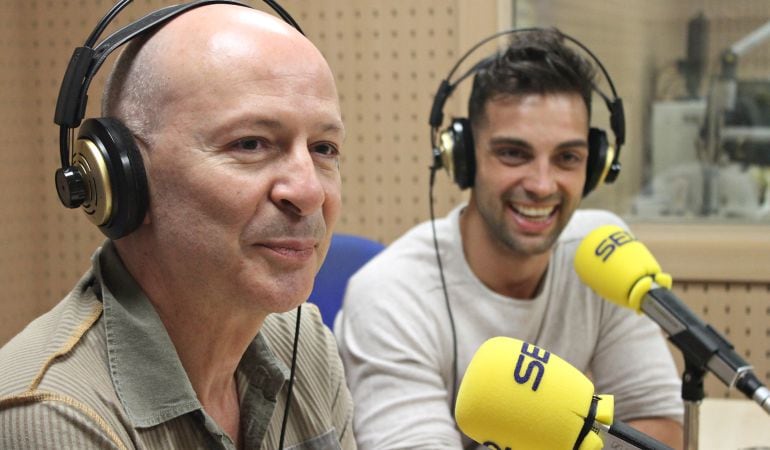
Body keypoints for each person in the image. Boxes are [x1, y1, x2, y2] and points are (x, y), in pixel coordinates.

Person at [0, 3, 355, 449]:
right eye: (250, 143)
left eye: (323, 148)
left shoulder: (304, 344)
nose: (309, 193)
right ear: (122, 179)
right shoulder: (52, 417)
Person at [335, 29, 684, 449]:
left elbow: (658, 427)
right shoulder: (391, 294)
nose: (541, 184)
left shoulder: (602, 253)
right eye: (513, 154)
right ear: (463, 160)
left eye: (567, 158)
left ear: (595, 166)